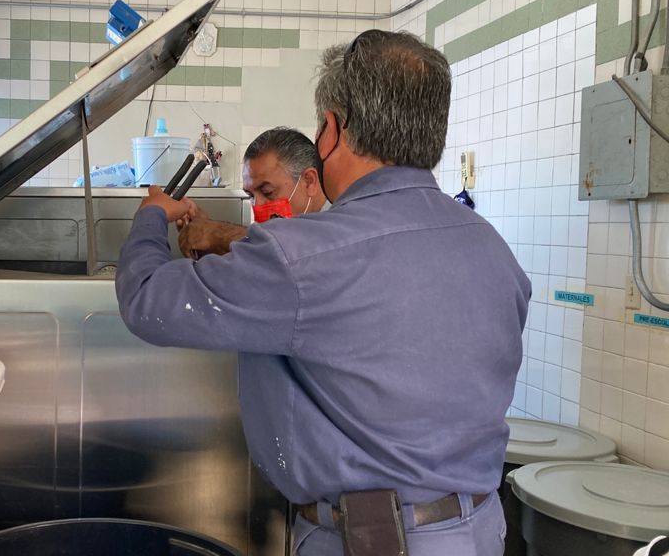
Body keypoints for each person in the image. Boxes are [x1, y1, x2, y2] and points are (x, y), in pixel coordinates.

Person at [115, 29, 531, 556]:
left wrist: (151, 216)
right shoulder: (493, 248)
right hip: (479, 531)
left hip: (373, 542)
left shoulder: (302, 255)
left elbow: (146, 300)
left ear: (332, 130)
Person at [178, 127, 327, 258]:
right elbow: (268, 258)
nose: (258, 205)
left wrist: (216, 234)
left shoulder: (335, 227)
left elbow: (291, 250)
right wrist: (204, 234)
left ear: (309, 181)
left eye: (267, 192)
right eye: (251, 196)